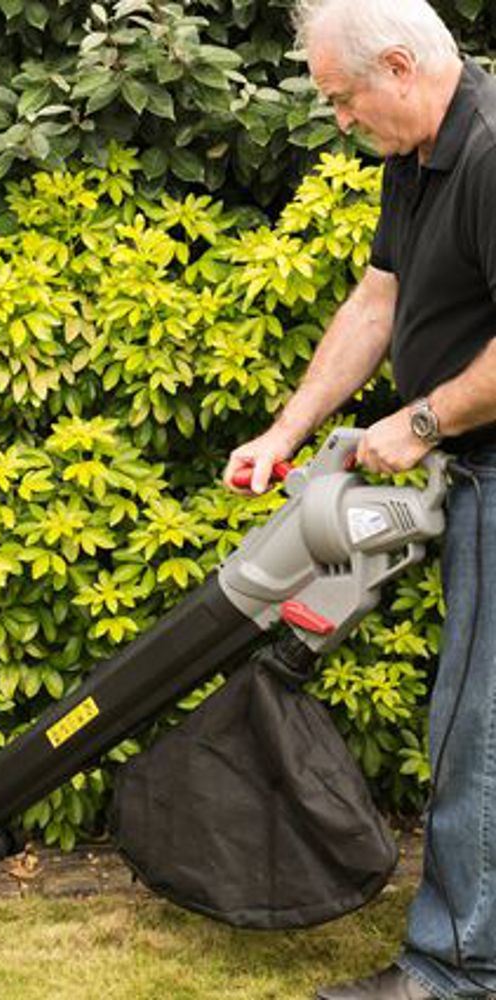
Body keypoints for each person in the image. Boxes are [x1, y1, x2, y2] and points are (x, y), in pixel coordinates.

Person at [222, 1, 496, 997]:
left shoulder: (493, 153)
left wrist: (418, 425)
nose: (338, 120)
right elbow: (376, 300)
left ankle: (455, 971)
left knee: (476, 728)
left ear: (394, 64)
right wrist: (284, 431)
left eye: (342, 99)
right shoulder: (415, 158)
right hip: (473, 468)